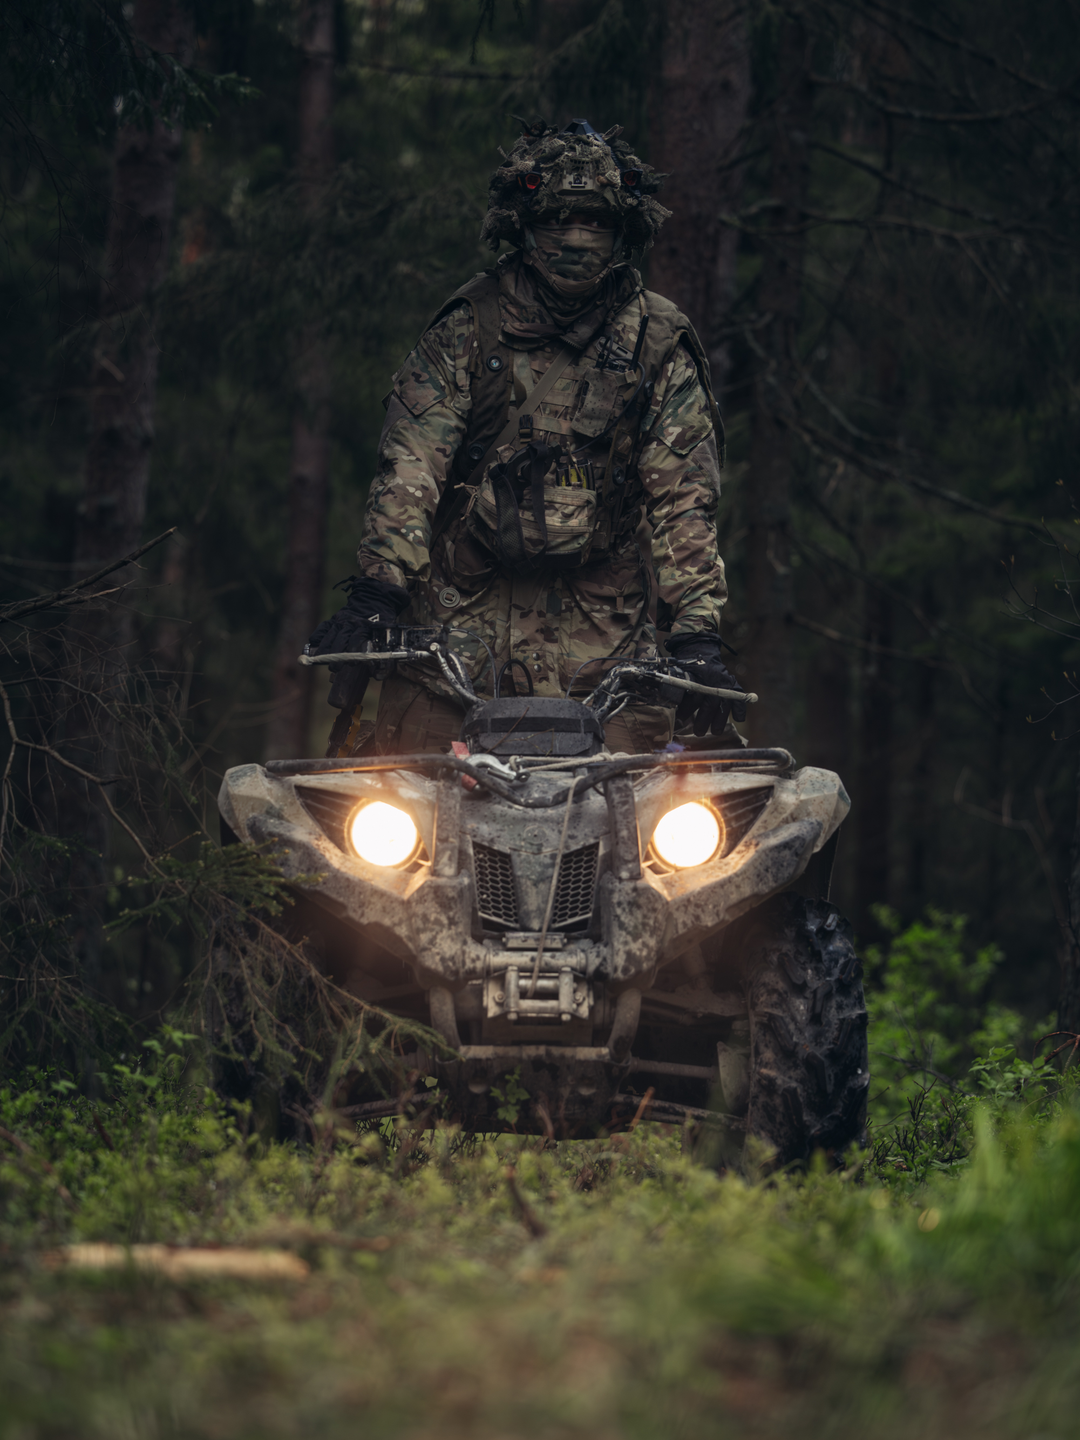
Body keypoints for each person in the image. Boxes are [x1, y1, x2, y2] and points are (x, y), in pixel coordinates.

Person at [307, 117, 745, 757]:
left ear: (624, 230)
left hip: (607, 662)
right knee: (404, 804)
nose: (576, 238)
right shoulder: (468, 329)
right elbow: (411, 468)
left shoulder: (656, 345)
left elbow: (685, 501)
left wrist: (697, 635)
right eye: (558, 220)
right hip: (453, 650)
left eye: (594, 221)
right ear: (522, 225)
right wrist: (380, 591)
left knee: (642, 811)